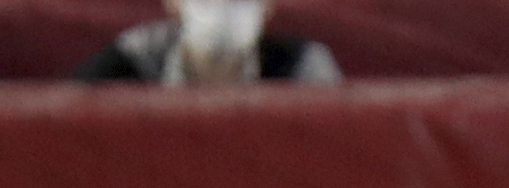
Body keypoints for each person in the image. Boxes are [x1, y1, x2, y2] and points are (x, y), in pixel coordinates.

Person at [72, 1, 335, 82]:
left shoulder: (304, 68)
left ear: (268, 6)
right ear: (173, 3)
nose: (223, 5)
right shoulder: (130, 60)